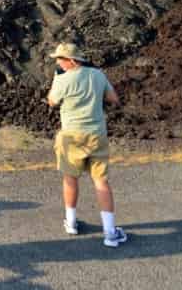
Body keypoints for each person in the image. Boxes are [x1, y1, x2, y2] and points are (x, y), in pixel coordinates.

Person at [46, 42, 127, 248]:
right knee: (101, 181)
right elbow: (113, 98)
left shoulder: (63, 79)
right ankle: (110, 233)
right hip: (96, 135)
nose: (58, 62)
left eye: (60, 59)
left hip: (71, 136)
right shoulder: (98, 74)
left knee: (70, 178)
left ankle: (71, 222)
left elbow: (52, 102)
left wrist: (57, 80)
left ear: (71, 60)